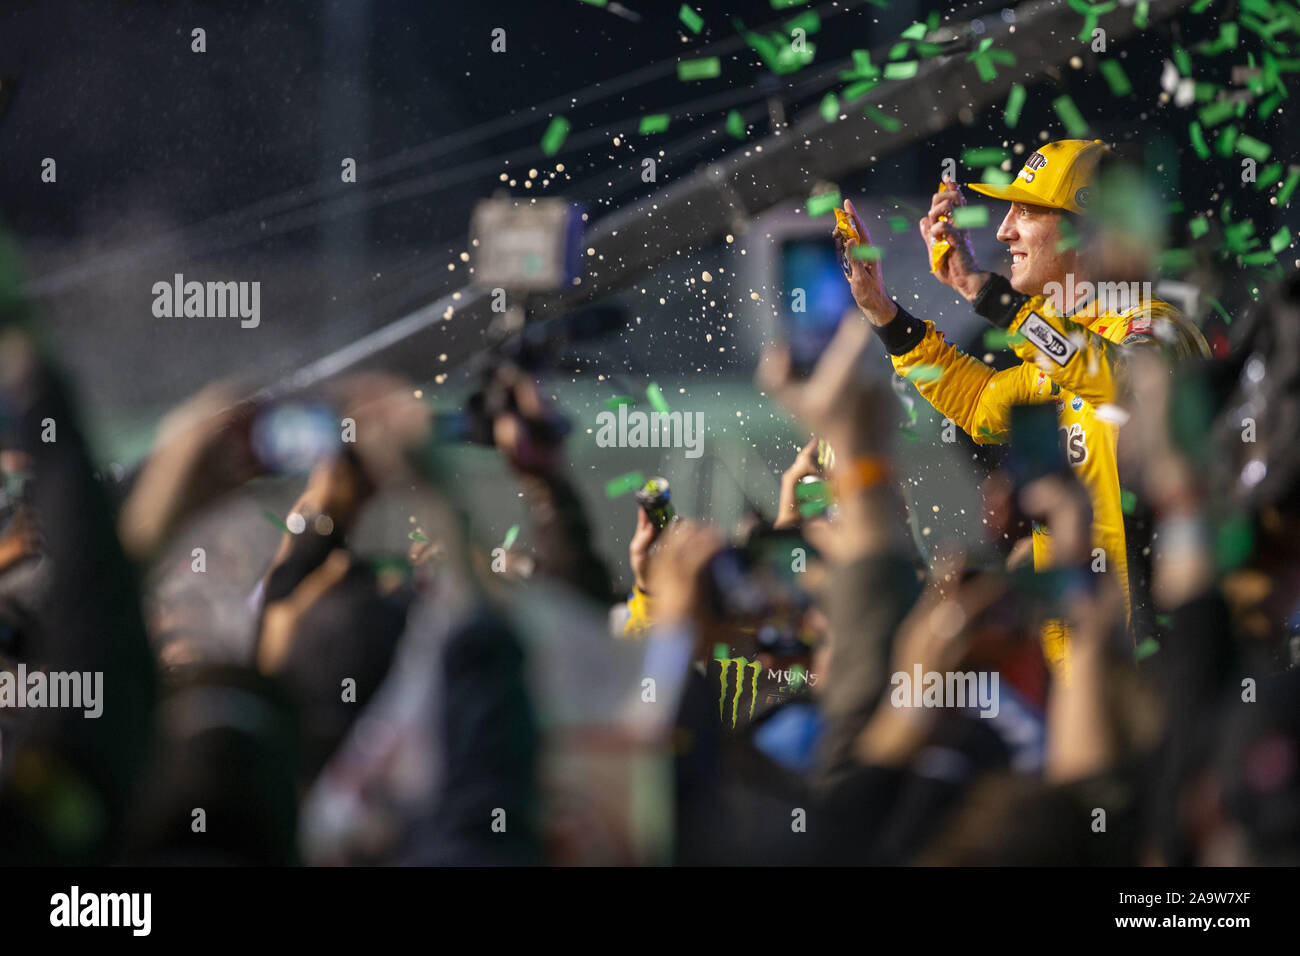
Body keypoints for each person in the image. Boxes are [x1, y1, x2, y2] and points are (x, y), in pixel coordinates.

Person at [837, 139, 1211, 675]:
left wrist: (989, 295)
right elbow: (978, 403)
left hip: (1151, 668)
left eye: (1026, 211)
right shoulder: (1061, 353)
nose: (1002, 230)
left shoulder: (1155, 328)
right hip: (1069, 669)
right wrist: (885, 315)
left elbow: (1114, 378)